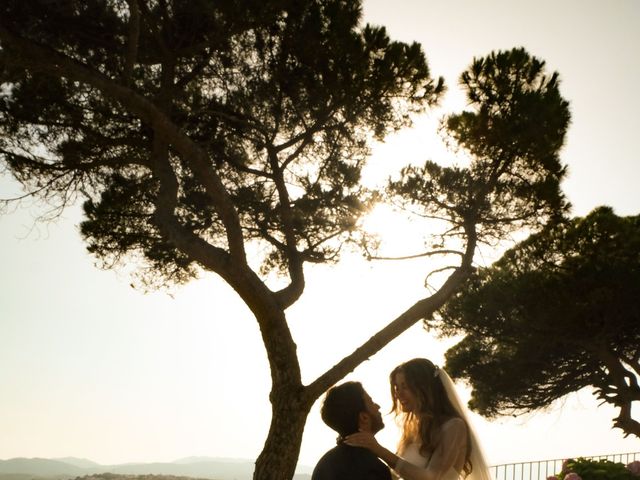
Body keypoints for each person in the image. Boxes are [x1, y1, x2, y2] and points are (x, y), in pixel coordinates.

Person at [344, 358, 492, 480]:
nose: (398, 394)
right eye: (396, 388)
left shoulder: (453, 426)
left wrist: (378, 450)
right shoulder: (410, 431)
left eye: (405, 387)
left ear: (424, 388)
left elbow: (431, 476)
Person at [312, 381, 392, 480]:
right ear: (364, 418)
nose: (378, 406)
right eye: (371, 402)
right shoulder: (373, 468)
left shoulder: (323, 466)